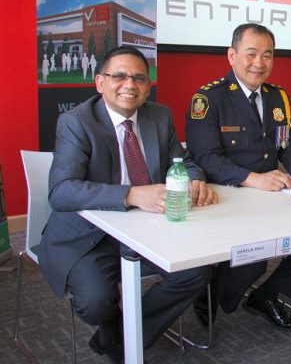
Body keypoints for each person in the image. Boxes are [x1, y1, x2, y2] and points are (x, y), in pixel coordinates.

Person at [38, 46, 218, 362]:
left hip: (148, 229)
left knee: (195, 272)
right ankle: (121, 336)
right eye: (119, 76)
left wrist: (192, 179)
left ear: (148, 86)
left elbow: (184, 160)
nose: (129, 85)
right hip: (89, 236)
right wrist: (131, 194)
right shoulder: (76, 122)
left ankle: (120, 340)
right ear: (99, 82)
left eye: (138, 78)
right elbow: (62, 191)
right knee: (96, 302)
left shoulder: (159, 116)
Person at [185, 23, 291, 330]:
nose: (259, 62)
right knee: (254, 259)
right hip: (230, 196)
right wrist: (253, 178)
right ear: (232, 55)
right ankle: (209, 293)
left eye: (268, 55)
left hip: (272, 193)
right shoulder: (209, 98)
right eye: (251, 53)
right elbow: (206, 158)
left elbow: (288, 143)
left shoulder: (278, 97)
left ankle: (267, 295)